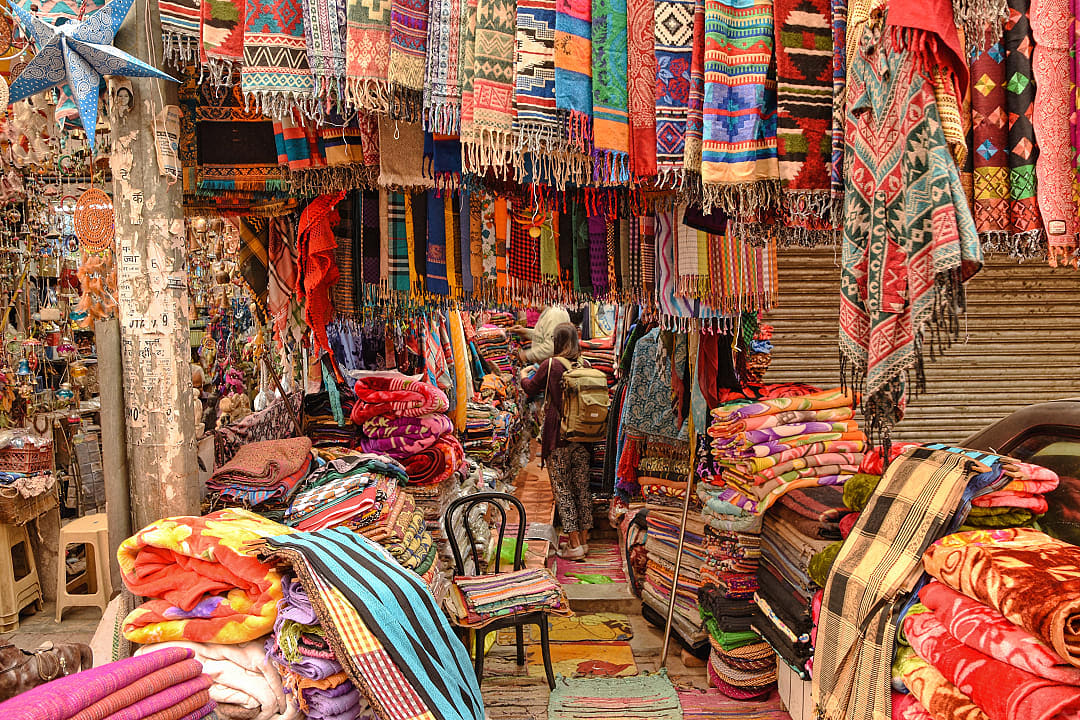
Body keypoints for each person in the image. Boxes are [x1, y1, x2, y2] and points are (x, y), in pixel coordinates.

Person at [521, 323, 592, 559]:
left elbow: (531, 388)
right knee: (581, 487)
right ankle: (584, 540)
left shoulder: (552, 365)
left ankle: (573, 545)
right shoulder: (585, 365)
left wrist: (522, 375)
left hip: (559, 436)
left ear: (557, 341)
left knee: (562, 489)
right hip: (584, 436)